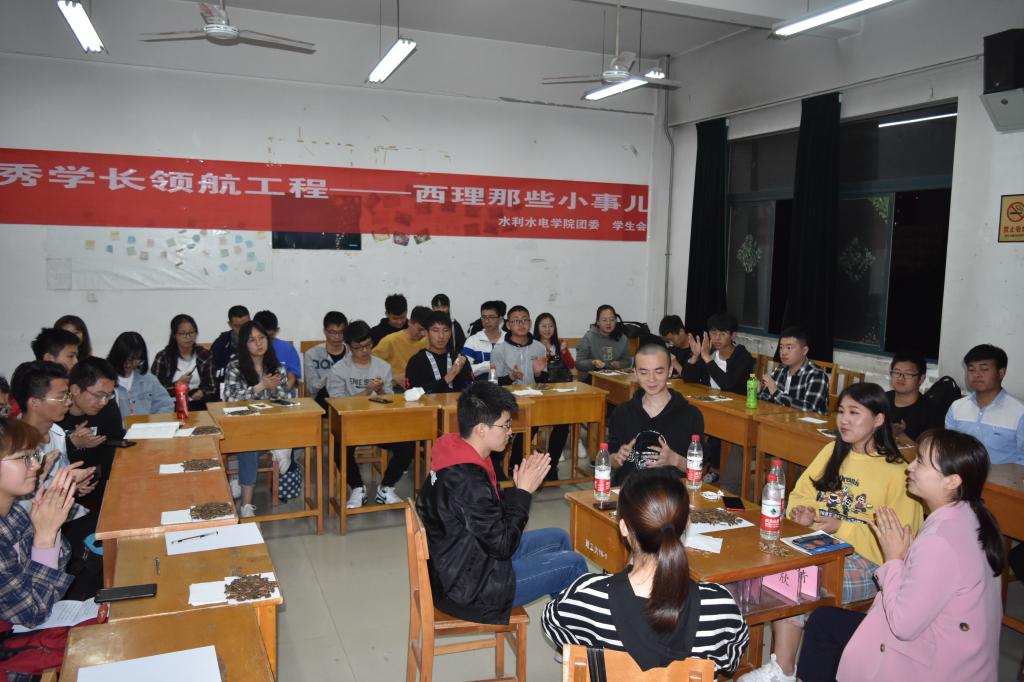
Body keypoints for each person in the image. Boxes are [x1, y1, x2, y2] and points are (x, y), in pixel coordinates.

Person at [739, 383, 924, 682]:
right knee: (764, 567)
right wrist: (803, 513)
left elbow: (902, 545)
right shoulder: (832, 452)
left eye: (854, 413)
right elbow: (800, 494)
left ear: (879, 419)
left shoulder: (896, 473)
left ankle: (783, 670)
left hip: (868, 563)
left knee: (795, 581)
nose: (844, 420)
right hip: (817, 546)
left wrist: (842, 527)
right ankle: (778, 667)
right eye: (841, 412)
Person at [798, 429, 1004, 681]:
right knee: (827, 622)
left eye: (921, 462)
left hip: (938, 666)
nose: (910, 467)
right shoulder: (969, 516)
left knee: (824, 625)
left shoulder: (941, 541)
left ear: (952, 481)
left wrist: (894, 559)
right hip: (957, 656)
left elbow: (903, 625)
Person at [543, 469, 748, 674]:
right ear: (687, 522)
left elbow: (552, 624)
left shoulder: (587, 596)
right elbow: (731, 660)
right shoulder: (719, 605)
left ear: (624, 527)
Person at [416, 381, 587, 625]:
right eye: (505, 425)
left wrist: (517, 491)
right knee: (574, 564)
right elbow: (503, 545)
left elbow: (484, 517)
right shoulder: (467, 480)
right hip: (471, 590)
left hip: (465, 560)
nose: (510, 431)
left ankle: (566, 631)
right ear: (481, 429)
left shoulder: (454, 452)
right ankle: (577, 640)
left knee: (558, 538)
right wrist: (523, 493)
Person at [326, 320, 416, 508]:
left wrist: (381, 390)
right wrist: (367, 391)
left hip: (379, 423)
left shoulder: (383, 366)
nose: (365, 351)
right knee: (338, 447)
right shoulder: (339, 369)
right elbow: (337, 404)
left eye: (368, 345)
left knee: (408, 444)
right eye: (358, 348)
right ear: (349, 346)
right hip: (350, 424)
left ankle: (387, 487)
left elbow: (391, 401)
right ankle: (357, 488)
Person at [0, 418, 77, 634]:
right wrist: (44, 537)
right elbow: (33, 614)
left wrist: (49, 525)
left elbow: (61, 561)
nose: (36, 465)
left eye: (34, 455)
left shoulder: (13, 512)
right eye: (24, 458)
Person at [608, 345, 704, 486]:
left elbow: (699, 470)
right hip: (629, 491)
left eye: (659, 371)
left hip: (670, 493)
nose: (651, 379)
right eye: (644, 372)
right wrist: (617, 458)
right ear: (635, 373)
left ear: (670, 371)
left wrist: (675, 460)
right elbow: (609, 459)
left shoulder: (690, 414)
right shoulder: (622, 412)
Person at [222, 320, 289, 518]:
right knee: (248, 445)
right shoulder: (235, 366)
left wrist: (274, 390)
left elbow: (284, 401)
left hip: (270, 426)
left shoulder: (276, 366)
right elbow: (230, 398)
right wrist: (260, 387)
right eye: (252, 340)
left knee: (252, 444)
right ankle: (246, 505)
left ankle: (280, 445)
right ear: (244, 344)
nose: (259, 343)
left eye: (262, 338)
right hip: (242, 428)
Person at [682, 311, 756, 482]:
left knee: (714, 431)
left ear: (733, 335)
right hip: (712, 406)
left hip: (736, 412)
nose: (716, 338)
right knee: (688, 421)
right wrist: (695, 356)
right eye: (713, 333)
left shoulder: (742, 356)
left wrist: (707, 358)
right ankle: (691, 465)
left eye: (722, 333)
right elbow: (688, 378)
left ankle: (715, 470)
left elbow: (728, 385)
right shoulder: (711, 354)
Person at [57, 357, 124, 507]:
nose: (103, 402)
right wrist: (71, 443)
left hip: (101, 486)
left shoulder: (108, 408)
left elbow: (113, 449)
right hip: (65, 495)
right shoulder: (56, 415)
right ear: (75, 389)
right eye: (99, 395)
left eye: (109, 395)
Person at [945, 344, 1023, 465]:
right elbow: (948, 449)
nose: (977, 375)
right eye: (971, 369)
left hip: (1003, 477)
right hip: (961, 474)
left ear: (1001, 373)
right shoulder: (956, 407)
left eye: (984, 369)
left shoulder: (1019, 412)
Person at [533, 313, 574, 479]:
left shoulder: (559, 344)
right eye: (544, 326)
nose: (547, 329)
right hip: (539, 390)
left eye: (550, 326)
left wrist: (563, 351)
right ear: (537, 328)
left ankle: (551, 465)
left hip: (558, 390)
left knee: (563, 425)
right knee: (532, 424)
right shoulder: (533, 345)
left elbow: (571, 365)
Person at [757, 326, 830, 415]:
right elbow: (765, 399)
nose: (783, 352)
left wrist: (777, 394)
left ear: (804, 351)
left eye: (789, 348)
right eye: (781, 347)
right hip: (781, 420)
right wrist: (758, 391)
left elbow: (810, 408)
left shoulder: (817, 375)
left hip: (805, 423)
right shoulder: (780, 370)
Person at [151, 314, 217, 411]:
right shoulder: (163, 357)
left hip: (199, 405)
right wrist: (178, 385)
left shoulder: (204, 355)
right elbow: (156, 389)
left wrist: (202, 392)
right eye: (183, 333)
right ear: (174, 335)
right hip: (171, 405)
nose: (188, 337)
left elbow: (212, 386)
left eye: (191, 333)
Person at [107, 332, 174, 421]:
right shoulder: (105, 380)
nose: (129, 364)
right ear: (117, 356)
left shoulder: (148, 379)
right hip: (119, 429)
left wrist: (152, 423)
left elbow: (167, 405)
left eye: (136, 359)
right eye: (127, 359)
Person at [405, 311, 473, 394]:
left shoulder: (460, 360)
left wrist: (460, 374)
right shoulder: (416, 361)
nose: (441, 336)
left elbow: (471, 391)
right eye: (435, 330)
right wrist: (447, 378)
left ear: (450, 333)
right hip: (427, 403)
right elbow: (411, 394)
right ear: (427, 333)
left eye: (445, 330)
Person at [372, 305, 430, 390]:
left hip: (421, 386)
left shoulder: (429, 341)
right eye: (420, 329)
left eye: (427, 330)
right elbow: (369, 364)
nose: (423, 334)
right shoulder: (391, 340)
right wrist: (394, 377)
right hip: (396, 387)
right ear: (410, 323)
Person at [885, 350, 937, 441]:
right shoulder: (881, 399)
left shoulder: (930, 411)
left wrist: (898, 435)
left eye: (908, 374)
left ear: (921, 379)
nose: (901, 378)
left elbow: (930, 447)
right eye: (896, 372)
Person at [575, 305, 633, 383]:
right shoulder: (589, 337)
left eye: (612, 320)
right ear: (598, 322)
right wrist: (593, 363)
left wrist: (619, 364)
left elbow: (627, 361)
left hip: (616, 377)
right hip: (593, 378)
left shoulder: (622, 338)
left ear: (616, 321)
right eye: (604, 320)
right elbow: (579, 364)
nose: (608, 323)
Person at [303, 310, 348, 409]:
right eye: (332, 332)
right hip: (321, 403)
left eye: (341, 332)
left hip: (347, 402)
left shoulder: (351, 353)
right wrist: (331, 376)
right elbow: (312, 388)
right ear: (324, 331)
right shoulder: (312, 354)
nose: (337, 337)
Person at [253, 310, 301, 393]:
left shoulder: (287, 349)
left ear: (277, 330)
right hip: (254, 396)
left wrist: (279, 393)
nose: (266, 341)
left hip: (282, 396)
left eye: (270, 337)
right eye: (262, 337)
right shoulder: (248, 349)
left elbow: (291, 378)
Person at [462, 300, 506, 379]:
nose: (487, 321)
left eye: (491, 317)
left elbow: (513, 367)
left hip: (506, 385)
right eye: (484, 317)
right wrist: (488, 366)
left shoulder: (508, 340)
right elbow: (465, 370)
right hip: (479, 385)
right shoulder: (472, 341)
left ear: (500, 319)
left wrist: (480, 366)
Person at [210, 304, 251, 380]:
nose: (242, 329)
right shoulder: (221, 343)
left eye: (245, 325)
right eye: (237, 326)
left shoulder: (259, 341)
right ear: (230, 324)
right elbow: (212, 371)